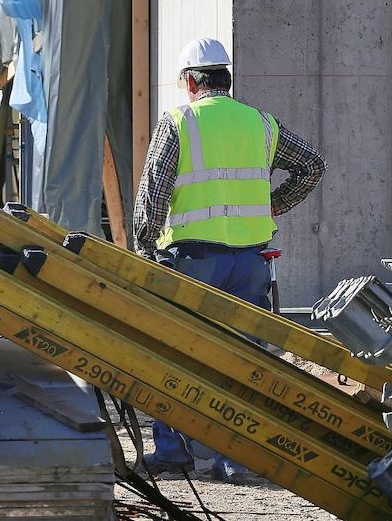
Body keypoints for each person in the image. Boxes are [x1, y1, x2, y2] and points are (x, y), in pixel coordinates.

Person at [133, 37, 327, 484]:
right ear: (226, 79)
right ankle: (238, 459)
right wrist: (275, 204)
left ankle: (173, 454)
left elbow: (152, 197)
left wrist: (145, 250)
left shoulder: (179, 123)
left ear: (188, 82)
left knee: (178, 356)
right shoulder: (260, 124)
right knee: (246, 361)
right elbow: (312, 165)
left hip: (191, 261)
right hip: (250, 262)